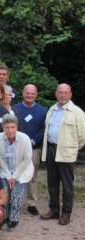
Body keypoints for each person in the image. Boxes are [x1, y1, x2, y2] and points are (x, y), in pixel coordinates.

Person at [40, 83, 85, 225]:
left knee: (67, 185)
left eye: (66, 92)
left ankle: (66, 213)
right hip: (51, 149)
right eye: (60, 92)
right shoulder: (52, 110)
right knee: (52, 183)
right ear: (56, 94)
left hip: (67, 151)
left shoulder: (77, 112)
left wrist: (72, 149)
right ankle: (54, 210)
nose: (63, 95)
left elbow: (82, 136)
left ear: (70, 94)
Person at [12, 84, 47, 215]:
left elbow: (43, 129)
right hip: (16, 147)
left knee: (32, 176)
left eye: (32, 93)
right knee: (15, 173)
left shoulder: (42, 111)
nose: (30, 95)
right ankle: (14, 200)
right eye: (27, 92)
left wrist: (33, 141)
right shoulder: (15, 109)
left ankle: (32, 203)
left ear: (36, 95)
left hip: (34, 148)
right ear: (23, 93)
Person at [0, 114, 34, 229]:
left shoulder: (24, 138)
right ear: (3, 127)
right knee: (4, 194)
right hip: (5, 172)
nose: (10, 130)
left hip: (22, 172)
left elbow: (27, 159)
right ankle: (4, 217)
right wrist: (8, 176)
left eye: (12, 127)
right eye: (7, 127)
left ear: (17, 127)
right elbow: (0, 159)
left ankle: (14, 219)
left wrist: (15, 177)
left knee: (16, 195)